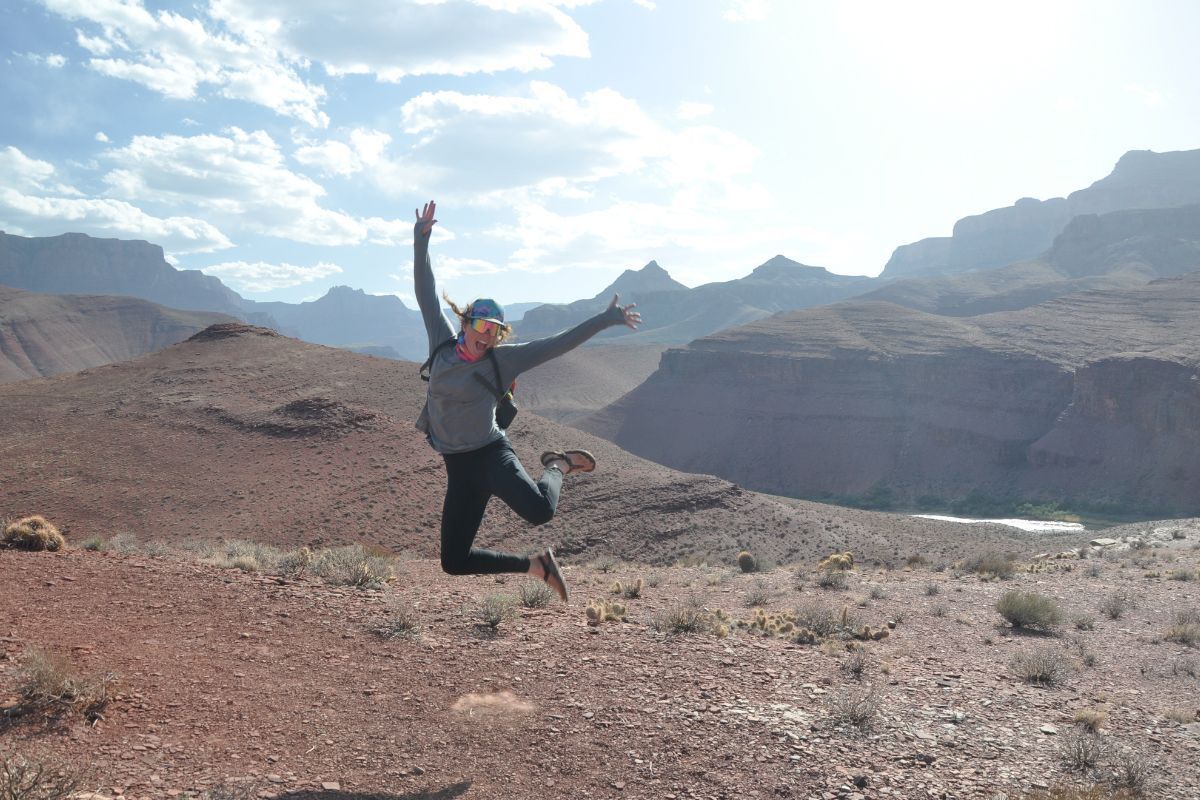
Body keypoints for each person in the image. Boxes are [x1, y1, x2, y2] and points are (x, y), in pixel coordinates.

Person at [412, 200, 641, 602]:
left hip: (489, 454)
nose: (486, 336)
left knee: (540, 511)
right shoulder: (443, 344)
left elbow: (558, 344)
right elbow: (425, 290)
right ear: (466, 322)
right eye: (480, 326)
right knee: (454, 561)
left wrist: (605, 320)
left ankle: (558, 464)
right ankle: (536, 566)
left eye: (495, 331)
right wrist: (421, 239)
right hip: (458, 466)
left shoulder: (504, 359)